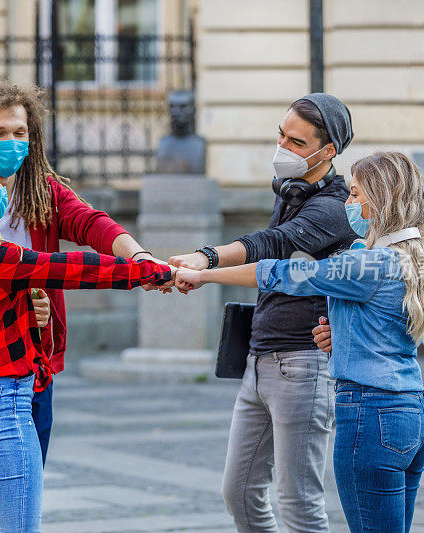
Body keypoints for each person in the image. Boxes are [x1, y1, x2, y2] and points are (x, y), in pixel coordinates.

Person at [0, 83, 161, 532]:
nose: (11, 149)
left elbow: (91, 226)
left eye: (21, 132)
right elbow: (65, 268)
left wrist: (135, 254)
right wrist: (149, 272)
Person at [175, 151, 424, 533]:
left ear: (379, 199)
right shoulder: (418, 258)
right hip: (413, 410)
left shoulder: (365, 264)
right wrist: (345, 338)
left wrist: (206, 273)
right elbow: (388, 330)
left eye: (355, 195)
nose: (348, 204)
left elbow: (283, 272)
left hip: (371, 412)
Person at [169, 93, 356, 532]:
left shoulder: (334, 207)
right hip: (259, 359)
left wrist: (206, 262)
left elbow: (271, 248)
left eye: (296, 142)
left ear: (327, 152)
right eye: (282, 134)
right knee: (239, 493)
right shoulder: (294, 192)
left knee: (299, 503)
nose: (282, 147)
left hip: (302, 365)